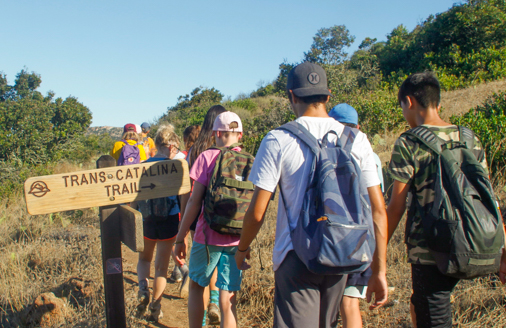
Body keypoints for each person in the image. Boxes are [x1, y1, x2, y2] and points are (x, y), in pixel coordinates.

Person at [234, 62, 388, 328]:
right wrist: (379, 269)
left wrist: (243, 248)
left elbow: (257, 213)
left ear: (292, 95)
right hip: (343, 252)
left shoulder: (277, 139)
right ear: (328, 96)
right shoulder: (357, 139)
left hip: (296, 255)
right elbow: (378, 210)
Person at [386, 72, 506, 327]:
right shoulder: (469, 137)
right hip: (478, 242)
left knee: (435, 316)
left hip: (431, 250)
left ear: (409, 101)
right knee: (420, 305)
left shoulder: (408, 142)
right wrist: (503, 248)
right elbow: (489, 198)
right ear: (437, 103)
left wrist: (377, 253)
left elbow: (396, 207)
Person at [174, 111, 245, 328]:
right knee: (228, 296)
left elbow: (194, 202)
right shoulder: (248, 160)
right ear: (240, 135)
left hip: (207, 237)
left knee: (196, 286)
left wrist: (181, 236)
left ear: (215, 134)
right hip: (236, 239)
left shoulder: (206, 157)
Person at [328, 103, 385, 328]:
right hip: (363, 238)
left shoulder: (326, 150)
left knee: (330, 304)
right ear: (358, 127)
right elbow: (378, 205)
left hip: (332, 237)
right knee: (350, 303)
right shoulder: (371, 155)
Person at [134, 124, 189, 322]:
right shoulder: (178, 167)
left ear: (156, 144)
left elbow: (135, 196)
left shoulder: (143, 165)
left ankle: (142, 289)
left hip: (148, 220)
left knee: (144, 259)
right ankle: (156, 307)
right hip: (170, 220)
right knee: (161, 268)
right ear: (173, 146)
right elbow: (184, 198)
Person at [179, 106, 227, 326]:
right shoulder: (231, 149)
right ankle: (215, 300)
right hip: (226, 218)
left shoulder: (196, 149)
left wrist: (182, 230)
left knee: (200, 276)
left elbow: (188, 191)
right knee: (217, 265)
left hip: (199, 217)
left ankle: (204, 319)